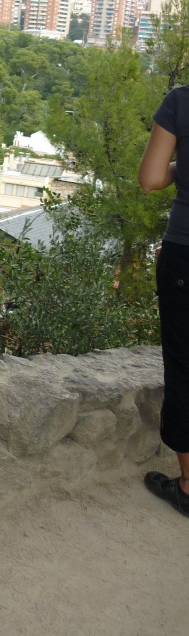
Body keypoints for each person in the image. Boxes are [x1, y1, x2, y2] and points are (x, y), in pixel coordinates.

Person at [138, 88, 189, 518]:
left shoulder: (182, 102)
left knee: (184, 368)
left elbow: (151, 178)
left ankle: (188, 486)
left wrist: (180, 167)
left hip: (185, 257)